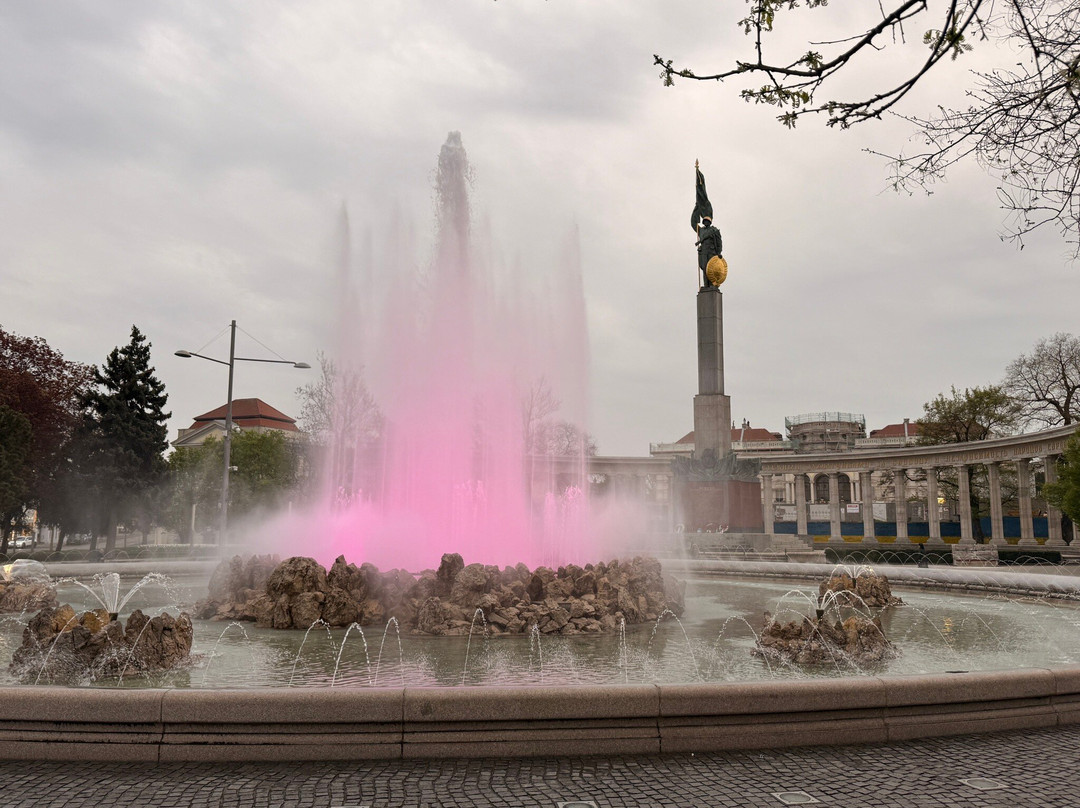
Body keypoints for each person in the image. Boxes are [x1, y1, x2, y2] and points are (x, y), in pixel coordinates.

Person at [696, 215, 723, 289]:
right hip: (704, 252)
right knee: (705, 268)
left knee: (711, 269)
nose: (706, 222)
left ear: (710, 222)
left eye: (707, 221)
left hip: (712, 252)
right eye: (705, 221)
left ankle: (712, 284)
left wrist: (719, 252)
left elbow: (719, 243)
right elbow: (693, 223)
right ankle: (706, 285)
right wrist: (696, 211)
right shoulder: (701, 230)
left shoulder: (714, 230)